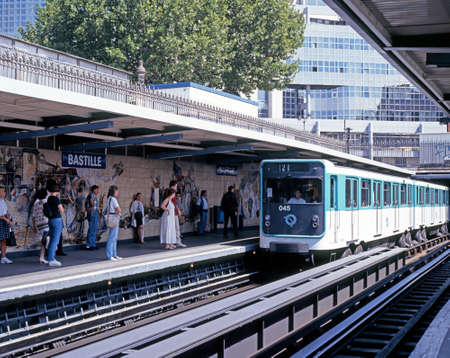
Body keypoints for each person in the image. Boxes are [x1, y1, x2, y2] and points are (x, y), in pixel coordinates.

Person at [46, 184, 64, 267]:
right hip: (57, 219)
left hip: (50, 220)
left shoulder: (49, 198)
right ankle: (51, 259)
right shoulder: (56, 199)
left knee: (52, 240)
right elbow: (61, 210)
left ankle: (50, 257)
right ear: (57, 191)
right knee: (55, 240)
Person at [32, 188, 49, 264]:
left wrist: (34, 226)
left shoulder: (35, 203)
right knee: (48, 239)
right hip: (46, 223)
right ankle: (50, 253)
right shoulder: (45, 201)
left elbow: (33, 216)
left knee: (44, 241)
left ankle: (42, 257)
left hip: (39, 224)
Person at [105, 185, 122, 261]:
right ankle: (110, 255)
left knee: (114, 237)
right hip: (114, 218)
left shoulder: (109, 199)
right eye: (117, 191)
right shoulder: (114, 199)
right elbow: (119, 209)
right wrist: (117, 211)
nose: (117, 192)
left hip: (111, 218)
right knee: (112, 237)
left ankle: (114, 254)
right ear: (114, 191)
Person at [169, 180, 187, 247]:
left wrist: (178, 210)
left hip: (175, 213)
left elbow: (175, 203)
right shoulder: (170, 192)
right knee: (172, 228)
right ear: (173, 186)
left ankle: (178, 241)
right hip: (171, 213)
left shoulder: (174, 192)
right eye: (176, 186)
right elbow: (171, 203)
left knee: (177, 228)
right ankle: (171, 242)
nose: (176, 187)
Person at [0, 186, 13, 264]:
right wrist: (6, 219)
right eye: (2, 191)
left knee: (4, 240)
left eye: (4, 191)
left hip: (5, 221)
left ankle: (3, 257)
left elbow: (6, 211)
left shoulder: (3, 201)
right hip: (1, 221)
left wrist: (9, 219)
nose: (4, 192)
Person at [85, 185, 100, 250]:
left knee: (94, 229)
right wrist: (92, 205)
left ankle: (93, 244)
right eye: (96, 190)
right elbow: (91, 203)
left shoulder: (94, 196)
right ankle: (89, 245)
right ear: (93, 190)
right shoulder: (91, 195)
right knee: (91, 229)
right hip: (91, 213)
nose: (97, 191)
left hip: (95, 213)